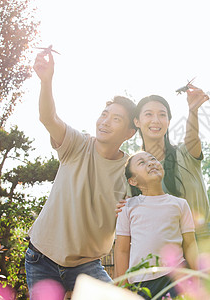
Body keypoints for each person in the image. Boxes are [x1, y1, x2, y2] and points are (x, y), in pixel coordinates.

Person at [25, 49, 137, 296]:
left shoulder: (131, 170)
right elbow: (48, 117)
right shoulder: (77, 144)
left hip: (85, 265)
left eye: (116, 119)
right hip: (41, 257)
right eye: (104, 115)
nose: (105, 122)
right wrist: (46, 81)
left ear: (130, 132)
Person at [132, 89, 210, 253]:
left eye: (162, 115)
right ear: (137, 121)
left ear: (169, 122)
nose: (156, 120)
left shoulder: (185, 154)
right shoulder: (134, 168)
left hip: (201, 245)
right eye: (148, 114)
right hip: (162, 250)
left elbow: (192, 137)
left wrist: (193, 110)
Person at [114, 151, 198, 299]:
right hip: (141, 282)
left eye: (153, 159)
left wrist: (199, 278)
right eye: (142, 162)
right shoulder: (127, 207)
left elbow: (190, 244)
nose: (151, 163)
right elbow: (121, 250)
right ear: (133, 181)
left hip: (175, 276)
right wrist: (123, 286)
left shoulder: (180, 204)